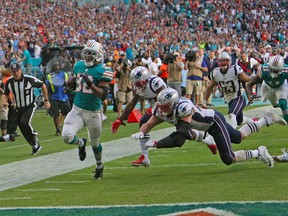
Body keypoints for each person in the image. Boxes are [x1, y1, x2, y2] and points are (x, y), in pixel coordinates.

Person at [131, 88, 287, 168]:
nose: (163, 110)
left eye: (166, 107)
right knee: (239, 137)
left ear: (173, 103)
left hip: (214, 122)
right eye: (162, 106)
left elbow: (180, 138)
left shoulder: (183, 108)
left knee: (228, 158)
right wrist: (141, 132)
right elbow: (149, 124)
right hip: (208, 125)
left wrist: (157, 144)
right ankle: (266, 119)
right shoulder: (161, 109)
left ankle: (259, 152)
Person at [111, 66, 217, 167]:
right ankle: (145, 157)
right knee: (144, 123)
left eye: (138, 83)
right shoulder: (141, 86)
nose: (137, 86)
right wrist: (120, 119)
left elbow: (163, 98)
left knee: (184, 133)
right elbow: (132, 103)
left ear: (146, 80)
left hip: (172, 108)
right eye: (135, 84)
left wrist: (153, 108)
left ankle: (209, 141)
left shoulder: (155, 82)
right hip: (160, 110)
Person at [62, 40, 113, 180]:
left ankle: (99, 165)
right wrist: (70, 84)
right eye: (86, 54)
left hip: (94, 112)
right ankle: (81, 143)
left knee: (95, 143)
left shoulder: (104, 70)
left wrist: (90, 83)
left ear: (98, 56)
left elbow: (103, 95)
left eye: (91, 55)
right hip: (77, 108)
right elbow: (75, 81)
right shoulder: (78, 65)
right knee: (66, 136)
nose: (87, 57)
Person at [3, 62, 51, 155]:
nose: (16, 73)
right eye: (13, 72)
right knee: (22, 127)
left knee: (24, 123)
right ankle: (35, 145)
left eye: (17, 71)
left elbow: (43, 85)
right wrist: (5, 101)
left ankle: (33, 133)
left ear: (20, 70)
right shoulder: (9, 82)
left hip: (29, 105)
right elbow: (6, 93)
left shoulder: (29, 79)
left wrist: (46, 100)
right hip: (18, 107)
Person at [204, 52, 254, 129]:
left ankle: (230, 133)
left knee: (232, 114)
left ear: (230, 61)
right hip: (229, 100)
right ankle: (255, 123)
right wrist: (204, 101)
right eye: (221, 61)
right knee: (240, 121)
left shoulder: (234, 69)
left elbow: (246, 79)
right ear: (218, 62)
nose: (224, 63)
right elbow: (209, 87)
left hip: (239, 98)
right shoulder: (215, 72)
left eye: (226, 60)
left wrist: (257, 79)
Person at [246, 55, 288, 124]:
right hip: (268, 86)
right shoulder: (263, 70)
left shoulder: (286, 70)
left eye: (276, 71)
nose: (273, 73)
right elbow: (249, 84)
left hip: (281, 86)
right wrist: (250, 96)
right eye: (272, 69)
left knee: (283, 104)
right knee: (275, 105)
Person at [45, 61, 71, 136]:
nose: (57, 67)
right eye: (55, 65)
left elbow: (68, 83)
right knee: (55, 114)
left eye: (58, 65)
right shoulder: (50, 76)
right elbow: (47, 87)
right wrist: (46, 99)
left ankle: (60, 124)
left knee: (67, 111)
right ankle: (58, 130)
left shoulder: (64, 74)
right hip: (54, 97)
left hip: (63, 96)